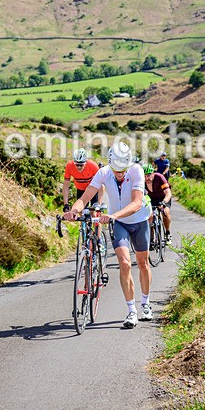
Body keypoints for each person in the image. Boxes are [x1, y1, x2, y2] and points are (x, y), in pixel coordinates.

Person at [64, 141, 152, 329]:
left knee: (143, 264)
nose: (119, 174)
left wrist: (113, 215)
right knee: (125, 263)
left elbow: (137, 203)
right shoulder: (104, 173)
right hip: (119, 224)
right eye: (116, 170)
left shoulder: (136, 170)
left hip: (138, 221)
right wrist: (74, 211)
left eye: (123, 170)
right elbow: (84, 198)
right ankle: (131, 311)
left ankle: (145, 303)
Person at [143, 163, 172, 240]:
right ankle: (151, 237)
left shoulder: (159, 177)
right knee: (149, 216)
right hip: (151, 198)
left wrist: (164, 202)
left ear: (153, 173)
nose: (147, 178)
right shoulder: (141, 182)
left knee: (165, 212)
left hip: (163, 197)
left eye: (148, 175)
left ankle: (167, 233)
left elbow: (168, 193)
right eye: (144, 176)